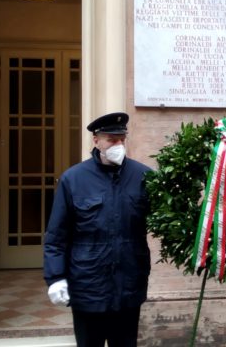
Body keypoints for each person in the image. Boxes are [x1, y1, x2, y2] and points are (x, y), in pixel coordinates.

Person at [43, 112, 152, 347]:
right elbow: (56, 236)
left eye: (122, 139)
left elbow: (165, 219)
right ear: (96, 140)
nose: (118, 145)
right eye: (112, 140)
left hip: (128, 286)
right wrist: (56, 277)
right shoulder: (73, 179)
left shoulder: (143, 176)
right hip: (88, 285)